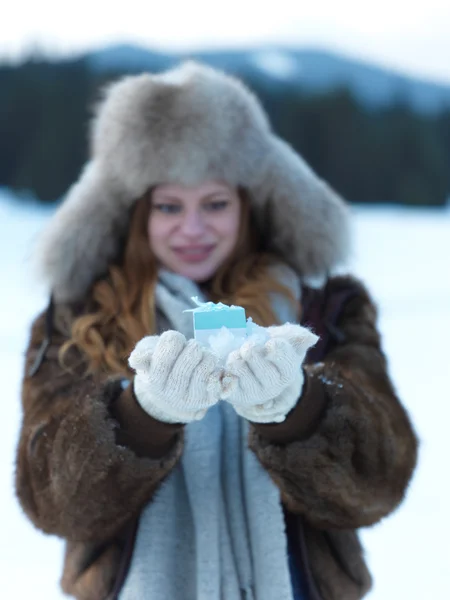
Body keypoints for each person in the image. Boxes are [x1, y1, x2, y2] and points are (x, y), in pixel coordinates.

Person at [15, 62, 418, 600]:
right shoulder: (78, 318)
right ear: (137, 215)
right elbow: (50, 499)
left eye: (215, 203)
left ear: (248, 205)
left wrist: (296, 410)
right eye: (169, 206)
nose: (193, 228)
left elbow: (381, 480)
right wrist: (140, 416)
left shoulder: (324, 307)